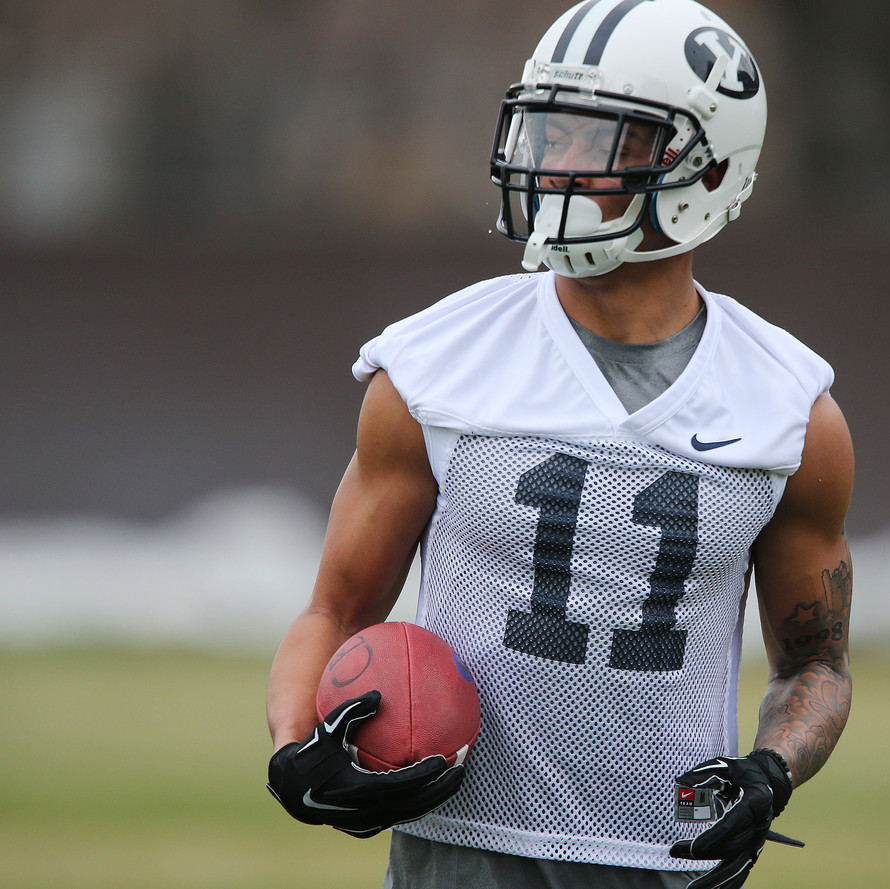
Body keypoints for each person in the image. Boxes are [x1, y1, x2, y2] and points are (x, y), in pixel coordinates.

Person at [265, 1, 853, 887]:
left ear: (707, 166)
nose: (557, 165)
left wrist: (771, 771)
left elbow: (816, 663)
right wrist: (294, 750)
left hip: (669, 855)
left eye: (602, 140)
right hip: (460, 858)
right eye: (551, 133)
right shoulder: (436, 362)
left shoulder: (789, 409)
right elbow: (336, 610)